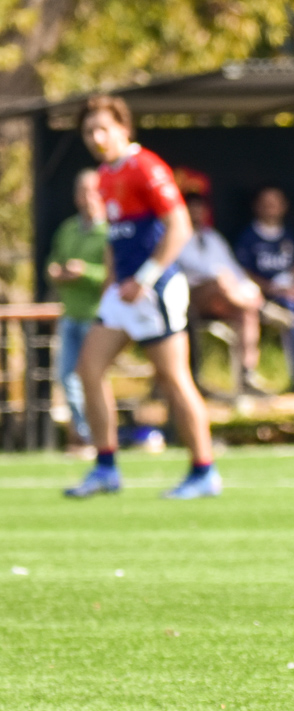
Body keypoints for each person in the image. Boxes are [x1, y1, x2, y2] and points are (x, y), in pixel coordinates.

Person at [64, 95, 220, 500]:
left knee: (173, 379)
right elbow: (116, 243)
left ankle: (204, 470)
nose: (96, 137)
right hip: (123, 292)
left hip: (156, 290)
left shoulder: (145, 167)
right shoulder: (103, 175)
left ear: (124, 128)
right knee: (88, 369)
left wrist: (146, 278)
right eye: (88, 131)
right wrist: (110, 289)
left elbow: (179, 226)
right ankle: (105, 467)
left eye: (103, 128)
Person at [176, 194, 267, 394]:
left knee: (245, 313)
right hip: (191, 297)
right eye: (192, 209)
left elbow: (234, 269)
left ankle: (246, 374)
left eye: (200, 209)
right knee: (219, 282)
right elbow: (197, 268)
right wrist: (224, 281)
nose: (196, 214)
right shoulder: (175, 236)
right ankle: (256, 306)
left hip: (224, 296)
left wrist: (252, 289)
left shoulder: (213, 237)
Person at [47, 170, 109, 450]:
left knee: (92, 377)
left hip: (97, 317)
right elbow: (52, 264)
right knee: (65, 378)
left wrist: (85, 273)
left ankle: (100, 437)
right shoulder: (68, 229)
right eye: (83, 192)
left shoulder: (110, 230)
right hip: (70, 314)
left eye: (94, 191)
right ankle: (86, 434)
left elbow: (113, 276)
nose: (88, 198)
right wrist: (57, 273)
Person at [235, 186, 294, 391]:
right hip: (266, 297)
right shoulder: (248, 237)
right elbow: (243, 272)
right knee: (291, 312)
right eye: (266, 202)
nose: (271, 207)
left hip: (291, 293)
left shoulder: (289, 235)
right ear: (257, 206)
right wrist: (271, 288)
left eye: (275, 202)